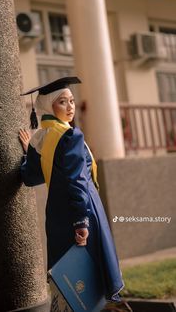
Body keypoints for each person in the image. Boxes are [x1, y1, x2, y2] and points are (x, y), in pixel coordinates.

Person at [19, 77, 131, 311]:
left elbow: (31, 177)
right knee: (88, 279)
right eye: (62, 102)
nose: (70, 107)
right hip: (83, 211)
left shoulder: (41, 138)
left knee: (68, 277)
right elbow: (77, 181)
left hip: (57, 216)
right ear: (50, 106)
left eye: (71, 101)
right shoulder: (71, 137)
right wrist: (82, 221)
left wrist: (28, 152)